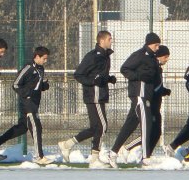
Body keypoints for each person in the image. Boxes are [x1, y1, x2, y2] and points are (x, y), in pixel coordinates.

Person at [58, 30, 115, 168]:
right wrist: (93, 81)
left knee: (96, 128)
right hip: (93, 95)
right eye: (109, 39)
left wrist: (108, 79)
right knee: (102, 126)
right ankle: (94, 159)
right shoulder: (92, 56)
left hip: (100, 94)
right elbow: (79, 74)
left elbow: (99, 75)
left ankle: (67, 144)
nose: (111, 41)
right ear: (101, 41)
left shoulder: (105, 56)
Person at [109, 32, 161, 168]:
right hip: (140, 96)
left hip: (147, 96)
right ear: (150, 43)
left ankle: (113, 153)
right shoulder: (139, 55)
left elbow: (153, 78)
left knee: (129, 127)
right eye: (156, 45)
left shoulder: (153, 58)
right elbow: (124, 69)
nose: (157, 48)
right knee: (147, 125)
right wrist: (138, 76)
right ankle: (145, 157)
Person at [0, 46, 53, 165]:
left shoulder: (40, 69)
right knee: (37, 127)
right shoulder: (28, 68)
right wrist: (26, 95)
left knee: (21, 128)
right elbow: (16, 84)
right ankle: (39, 156)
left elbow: (35, 85)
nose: (45, 61)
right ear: (37, 57)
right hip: (27, 104)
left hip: (35, 103)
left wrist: (43, 86)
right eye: (44, 58)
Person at [122, 44, 171, 161]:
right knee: (149, 131)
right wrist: (159, 91)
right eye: (165, 57)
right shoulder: (152, 67)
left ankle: (147, 153)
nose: (167, 59)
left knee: (157, 132)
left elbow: (157, 86)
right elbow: (151, 86)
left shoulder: (158, 68)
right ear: (159, 57)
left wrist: (163, 91)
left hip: (156, 104)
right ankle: (128, 148)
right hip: (151, 104)